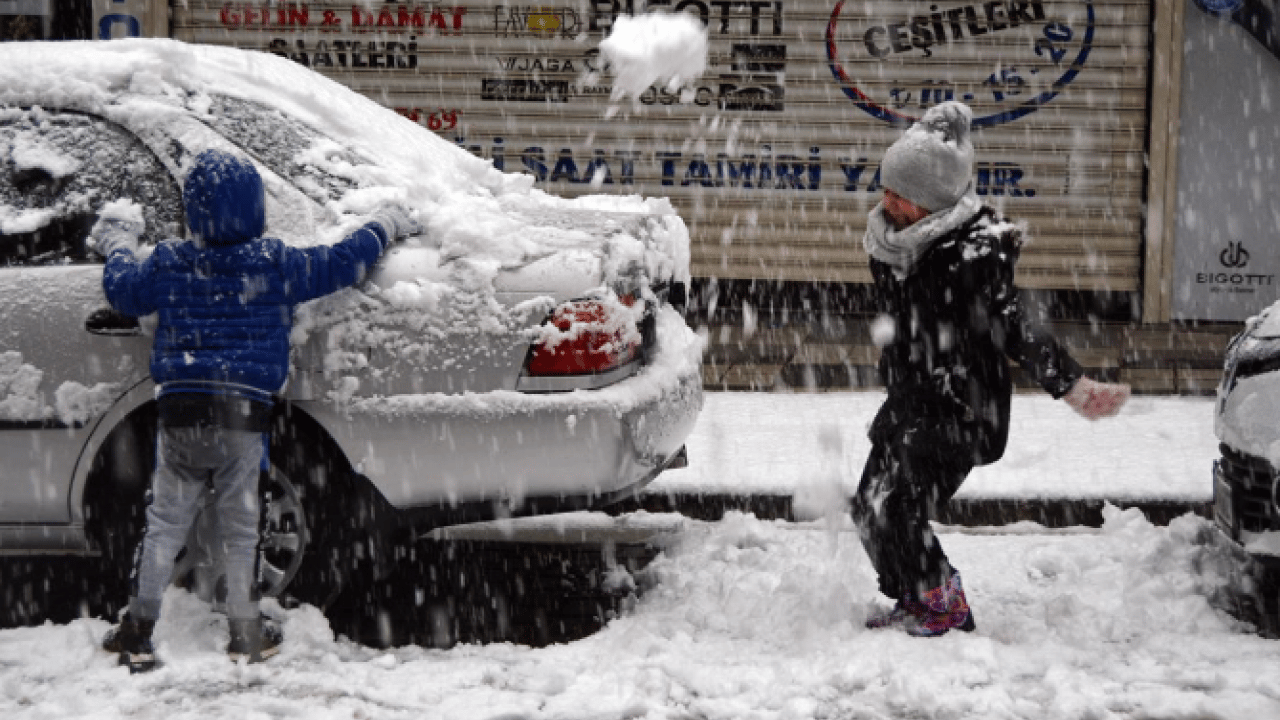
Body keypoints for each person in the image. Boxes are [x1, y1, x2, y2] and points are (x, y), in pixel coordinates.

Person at [89, 149, 421, 671]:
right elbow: (343, 263)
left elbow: (123, 290)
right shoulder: (274, 262)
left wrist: (119, 243)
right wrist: (384, 224)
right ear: (256, 209)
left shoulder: (171, 261)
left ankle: (138, 627)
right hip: (242, 418)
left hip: (180, 412)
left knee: (165, 524)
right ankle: (245, 630)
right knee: (242, 527)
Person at [854, 101, 1130, 637]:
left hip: (960, 406)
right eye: (886, 188)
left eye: (902, 195)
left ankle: (943, 606)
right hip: (914, 399)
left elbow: (1015, 324)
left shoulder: (971, 258)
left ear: (935, 203)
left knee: (894, 506)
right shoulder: (896, 241)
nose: (888, 202)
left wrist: (1070, 383)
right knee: (868, 506)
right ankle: (917, 595)